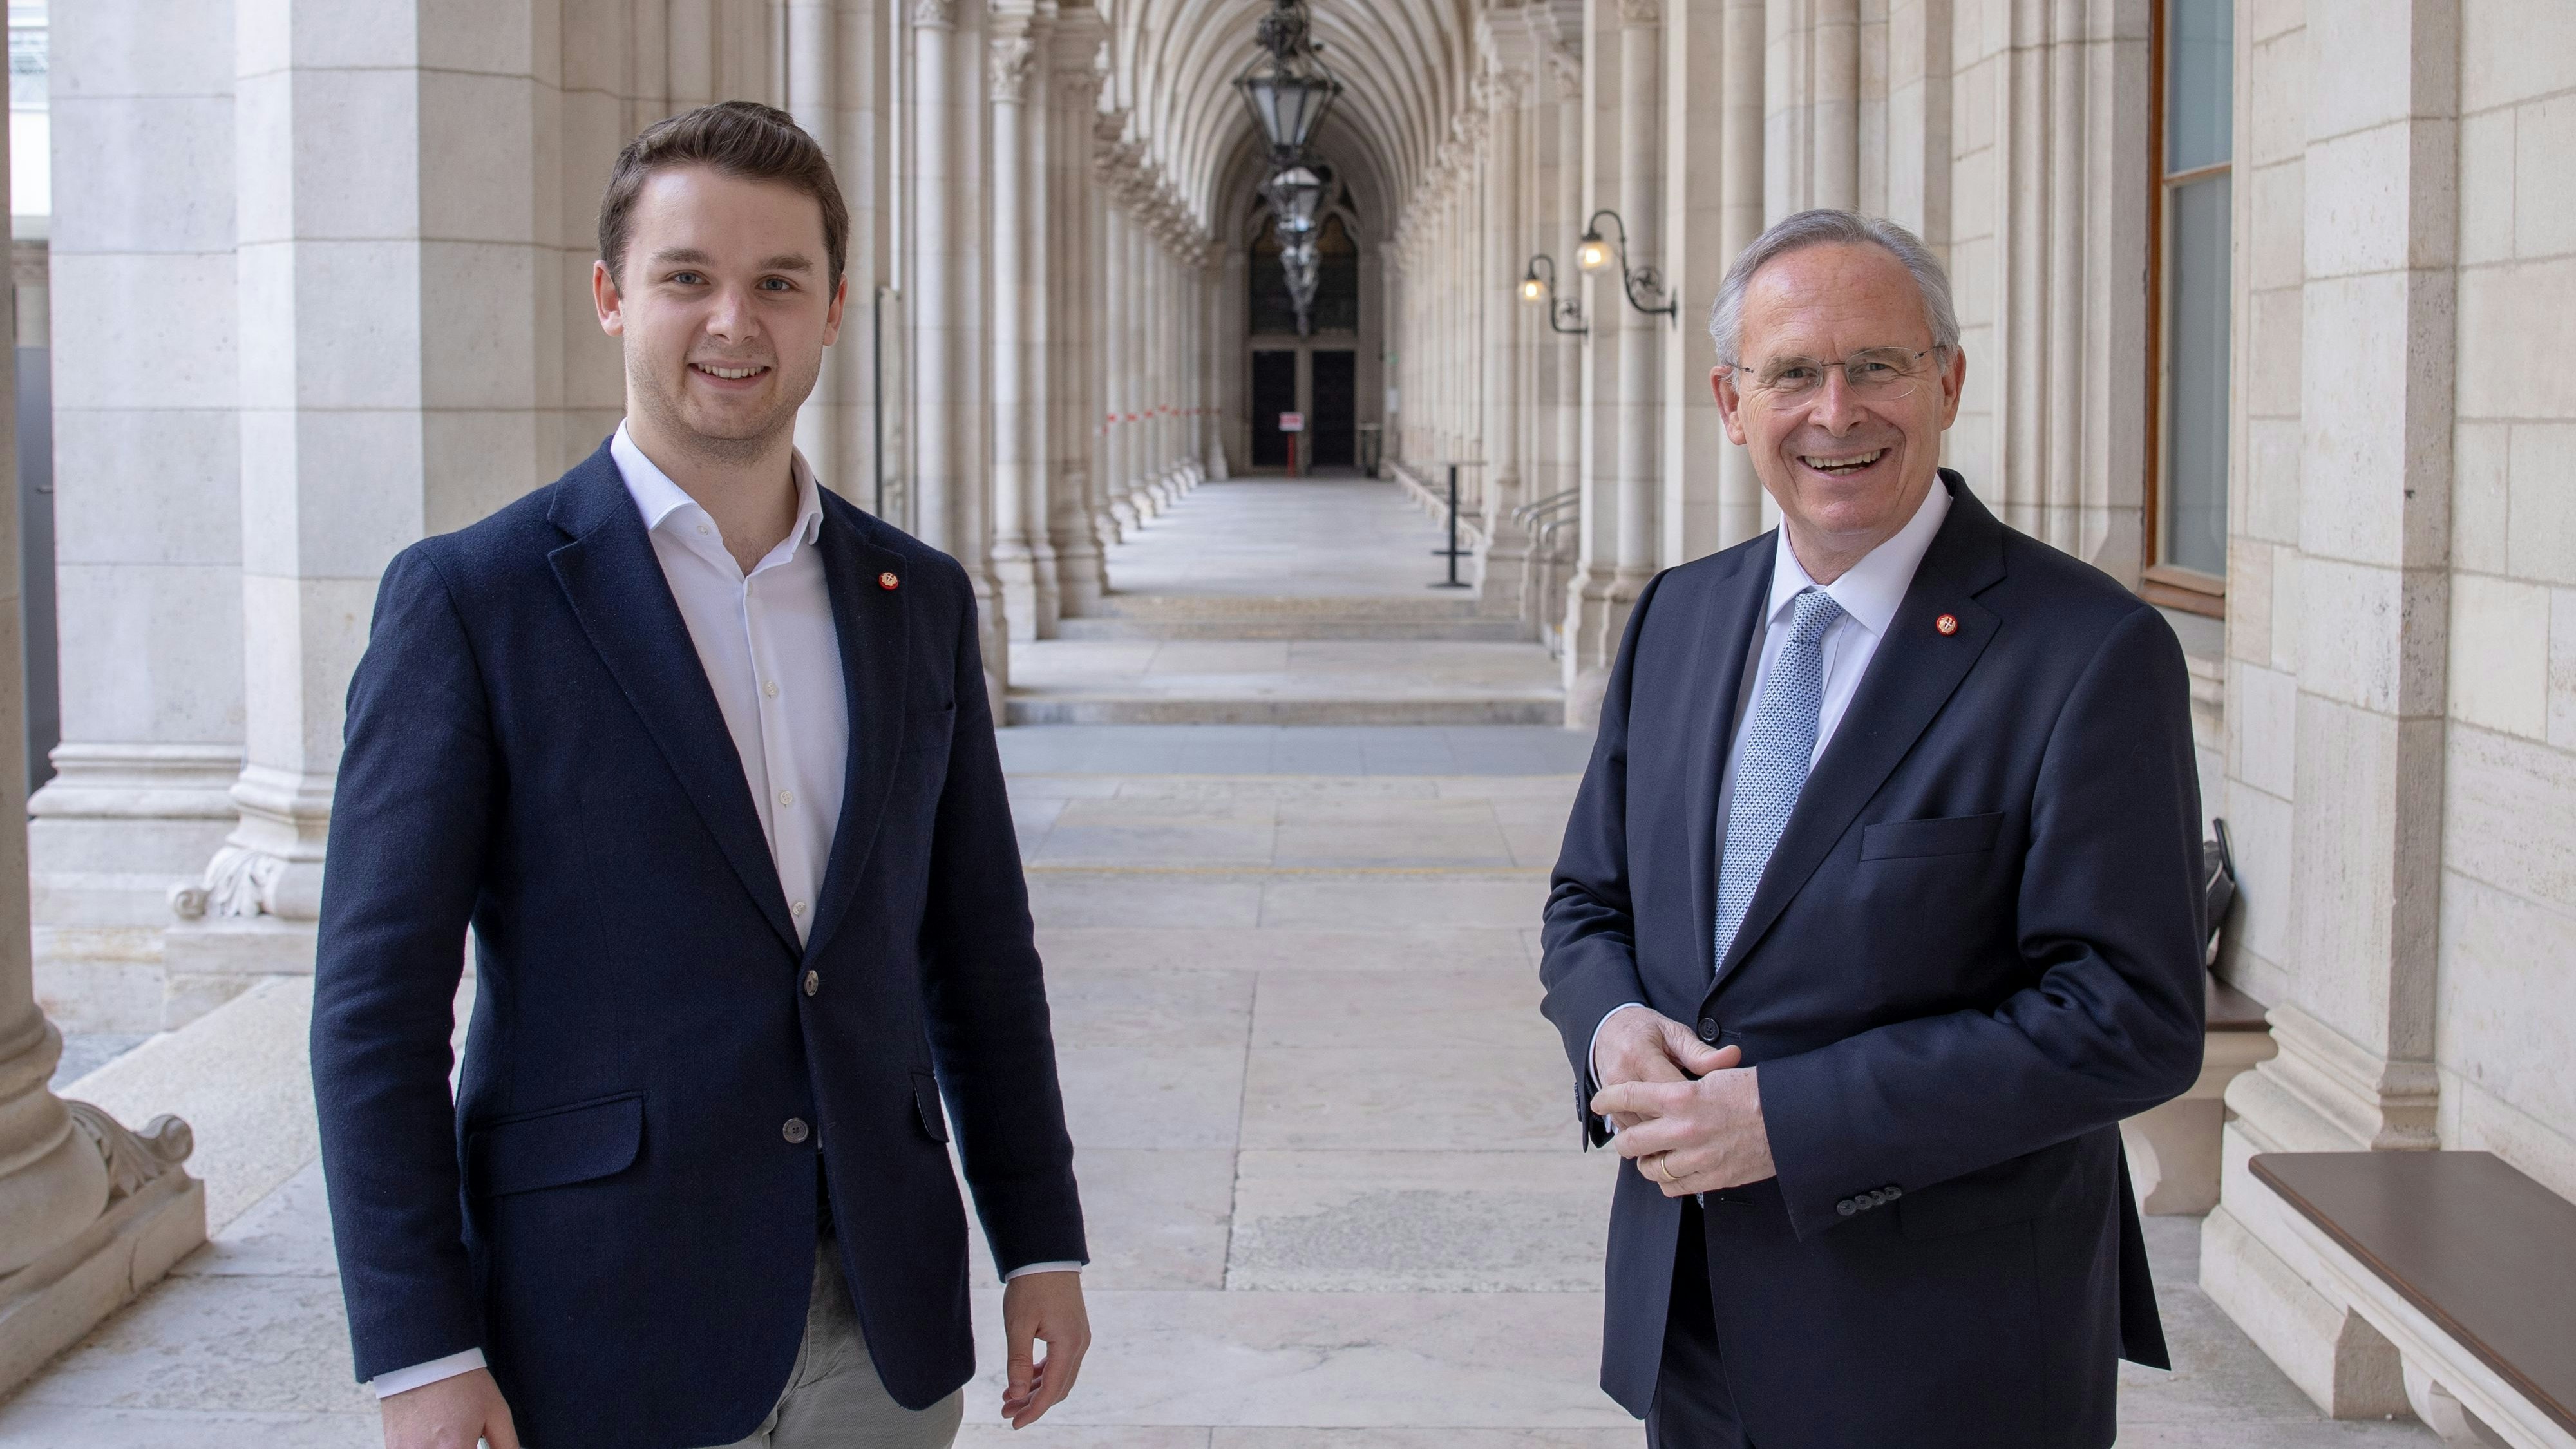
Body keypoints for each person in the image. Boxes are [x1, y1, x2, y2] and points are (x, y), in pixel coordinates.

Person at [311, 102, 1090, 1449]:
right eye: (687, 278)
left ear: (834, 310)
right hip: (601, 1317)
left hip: (885, 1323)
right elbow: (374, 1014)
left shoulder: (918, 599)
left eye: (778, 283)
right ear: (613, 297)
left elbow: (978, 956)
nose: (735, 322)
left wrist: (1039, 1239)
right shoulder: (471, 602)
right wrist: (420, 1351)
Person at [1539, 209, 2206, 1448]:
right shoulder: (1680, 617)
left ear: (1947, 382)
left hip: (1950, 1353)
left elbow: (2133, 1017)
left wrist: (1790, 1119)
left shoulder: (2091, 652)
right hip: (1690, 1319)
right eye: (1793, 372)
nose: (1836, 412)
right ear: (1732, 401)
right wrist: (1612, 1027)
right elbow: (1590, 903)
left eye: (1878, 367)